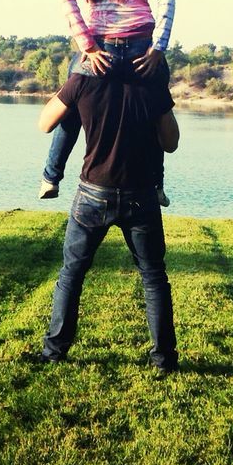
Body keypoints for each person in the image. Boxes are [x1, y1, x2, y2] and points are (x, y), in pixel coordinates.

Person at [33, 51, 181, 372]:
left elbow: (45, 124)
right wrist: (160, 100)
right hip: (141, 194)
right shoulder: (152, 83)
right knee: (154, 278)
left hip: (92, 195)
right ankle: (164, 360)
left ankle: (53, 353)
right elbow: (170, 143)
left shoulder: (83, 79)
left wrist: (71, 90)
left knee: (71, 274)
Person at [39, 0, 175, 205]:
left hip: (102, 49)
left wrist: (86, 45)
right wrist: (159, 47)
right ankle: (157, 186)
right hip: (142, 50)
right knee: (153, 110)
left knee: (71, 106)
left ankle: (50, 177)